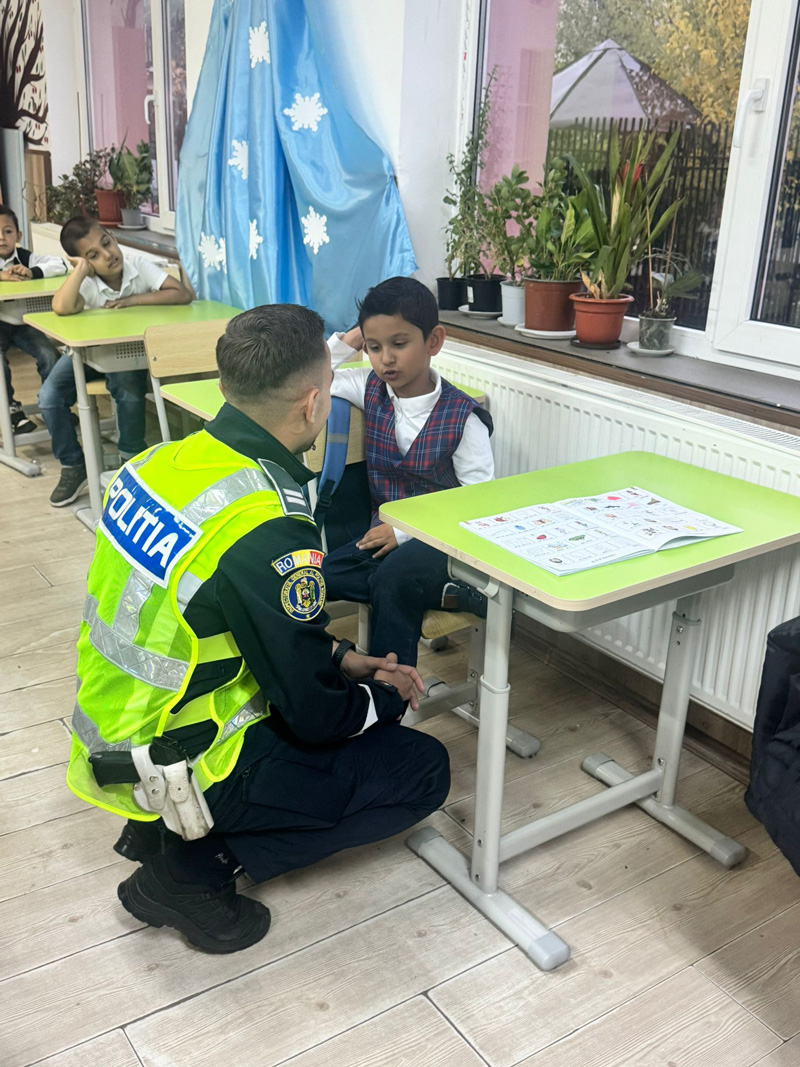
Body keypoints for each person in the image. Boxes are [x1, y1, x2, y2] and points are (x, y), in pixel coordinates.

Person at [67, 303, 449, 954]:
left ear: (225, 387)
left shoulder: (158, 463)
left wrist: (337, 654)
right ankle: (189, 870)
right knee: (422, 769)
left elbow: (216, 617)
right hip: (182, 757)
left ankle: (164, 832)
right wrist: (379, 700)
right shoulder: (266, 520)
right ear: (313, 404)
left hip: (117, 727)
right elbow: (315, 716)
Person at [322, 276, 495, 667]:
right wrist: (350, 339)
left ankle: (390, 688)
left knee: (394, 579)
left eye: (399, 344)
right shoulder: (368, 386)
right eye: (374, 347)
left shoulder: (464, 418)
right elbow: (308, 377)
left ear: (434, 341)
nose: (385, 359)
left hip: (444, 542)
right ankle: (453, 594)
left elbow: (479, 503)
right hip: (383, 539)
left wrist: (403, 533)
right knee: (324, 575)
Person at [40, 216, 193, 507]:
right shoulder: (86, 283)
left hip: (128, 355)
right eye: (93, 255)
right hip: (88, 355)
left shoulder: (137, 266)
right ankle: (74, 465)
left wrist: (134, 300)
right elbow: (61, 307)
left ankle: (130, 459)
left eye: (106, 243)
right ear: (84, 263)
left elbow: (182, 294)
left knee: (127, 386)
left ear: (113, 237)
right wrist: (80, 271)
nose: (108, 255)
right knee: (49, 396)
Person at [0, 204, 66, 434]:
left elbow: (60, 264)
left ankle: (52, 406)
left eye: (8, 231)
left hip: (22, 324)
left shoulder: (27, 258)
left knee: (50, 355)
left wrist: (33, 272)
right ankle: (10, 409)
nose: (1, 238)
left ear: (18, 236)